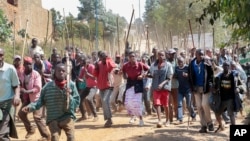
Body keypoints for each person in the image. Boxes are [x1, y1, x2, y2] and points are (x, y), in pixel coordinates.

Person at [22, 63, 80, 141]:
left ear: (66, 72)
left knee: (71, 137)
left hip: (67, 116)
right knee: (54, 137)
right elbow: (39, 102)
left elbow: (76, 102)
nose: (61, 72)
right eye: (59, 70)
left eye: (63, 71)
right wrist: (30, 107)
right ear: (54, 72)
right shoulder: (47, 87)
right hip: (53, 118)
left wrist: (69, 96)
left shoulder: (71, 86)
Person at [18, 56, 50, 140]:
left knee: (37, 117)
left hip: (37, 99)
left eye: (30, 64)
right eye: (27, 64)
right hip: (27, 98)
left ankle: (46, 136)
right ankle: (30, 129)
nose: (29, 66)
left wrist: (26, 91)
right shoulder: (22, 74)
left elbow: (37, 88)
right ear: (24, 64)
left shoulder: (36, 74)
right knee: (21, 113)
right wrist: (21, 89)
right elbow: (20, 84)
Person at [213, 61, 246, 132]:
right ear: (223, 67)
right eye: (224, 66)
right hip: (221, 99)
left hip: (230, 98)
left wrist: (238, 88)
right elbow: (215, 86)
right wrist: (214, 89)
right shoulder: (219, 77)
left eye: (227, 66)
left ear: (229, 67)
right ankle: (221, 126)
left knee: (231, 115)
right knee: (217, 113)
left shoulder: (234, 76)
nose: (226, 67)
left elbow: (241, 85)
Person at [188, 49, 214, 133]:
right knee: (199, 106)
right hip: (196, 88)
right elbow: (190, 75)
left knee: (205, 104)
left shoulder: (207, 62)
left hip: (206, 87)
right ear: (196, 55)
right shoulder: (192, 64)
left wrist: (211, 84)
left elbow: (211, 74)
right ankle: (203, 125)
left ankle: (210, 123)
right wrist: (191, 86)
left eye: (202, 54)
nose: (202, 56)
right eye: (200, 54)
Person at [122, 51, 149, 126]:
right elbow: (123, 71)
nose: (132, 58)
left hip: (138, 83)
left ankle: (141, 119)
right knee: (127, 102)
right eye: (130, 57)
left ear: (136, 57)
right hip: (130, 83)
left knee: (137, 103)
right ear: (128, 58)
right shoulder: (126, 65)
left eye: (133, 56)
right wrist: (124, 76)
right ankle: (133, 116)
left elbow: (148, 70)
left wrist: (142, 75)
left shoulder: (140, 64)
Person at [0, 48, 21, 140]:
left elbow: (16, 85)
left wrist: (17, 96)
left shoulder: (10, 69)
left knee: (2, 134)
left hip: (7, 104)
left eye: (1, 55)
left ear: (4, 56)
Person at [148, 50, 173, 127]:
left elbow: (170, 77)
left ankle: (167, 120)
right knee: (157, 103)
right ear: (157, 56)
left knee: (166, 105)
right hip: (156, 87)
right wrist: (146, 75)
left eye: (162, 55)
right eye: (159, 55)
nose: (161, 57)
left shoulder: (168, 65)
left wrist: (162, 84)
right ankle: (159, 120)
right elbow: (151, 75)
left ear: (165, 56)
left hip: (165, 87)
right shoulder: (153, 65)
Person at [94, 51, 116, 127]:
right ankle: (108, 120)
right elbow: (95, 74)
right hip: (101, 86)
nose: (102, 59)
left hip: (109, 85)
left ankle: (109, 119)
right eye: (101, 57)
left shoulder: (109, 61)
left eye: (103, 57)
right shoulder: (99, 64)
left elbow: (110, 68)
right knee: (104, 103)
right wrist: (96, 67)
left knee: (104, 100)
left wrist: (107, 59)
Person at [174, 57, 196, 124]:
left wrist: (188, 75)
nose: (180, 63)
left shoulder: (187, 67)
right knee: (179, 104)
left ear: (184, 61)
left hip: (188, 89)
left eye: (182, 61)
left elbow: (193, 76)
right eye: (179, 62)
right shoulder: (177, 68)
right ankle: (180, 119)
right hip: (180, 89)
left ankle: (193, 116)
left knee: (189, 105)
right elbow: (176, 76)